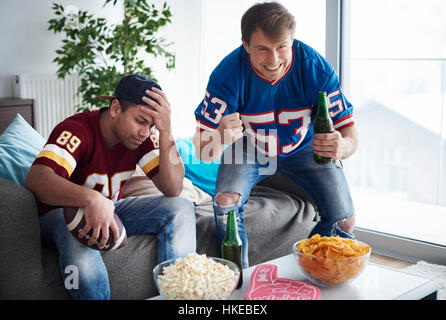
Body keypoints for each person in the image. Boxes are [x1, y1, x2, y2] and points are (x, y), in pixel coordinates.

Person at [192, 2, 358, 268]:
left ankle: (304, 268)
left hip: (303, 146)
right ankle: (238, 280)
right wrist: (221, 137)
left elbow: (350, 132)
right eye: (263, 49)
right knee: (225, 204)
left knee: (345, 220)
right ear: (245, 45)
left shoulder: (314, 67)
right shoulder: (227, 74)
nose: (274, 59)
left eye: (282, 46)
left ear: (291, 40)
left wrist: (343, 146)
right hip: (251, 145)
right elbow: (201, 150)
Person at [25, 74, 196, 299]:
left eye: (151, 125)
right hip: (56, 215)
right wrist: (92, 199)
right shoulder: (78, 130)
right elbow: (37, 178)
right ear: (115, 108)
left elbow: (173, 188)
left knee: (181, 207)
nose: (145, 132)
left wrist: (165, 130)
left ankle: (179, 297)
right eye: (140, 121)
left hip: (111, 209)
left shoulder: (141, 137)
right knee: (79, 226)